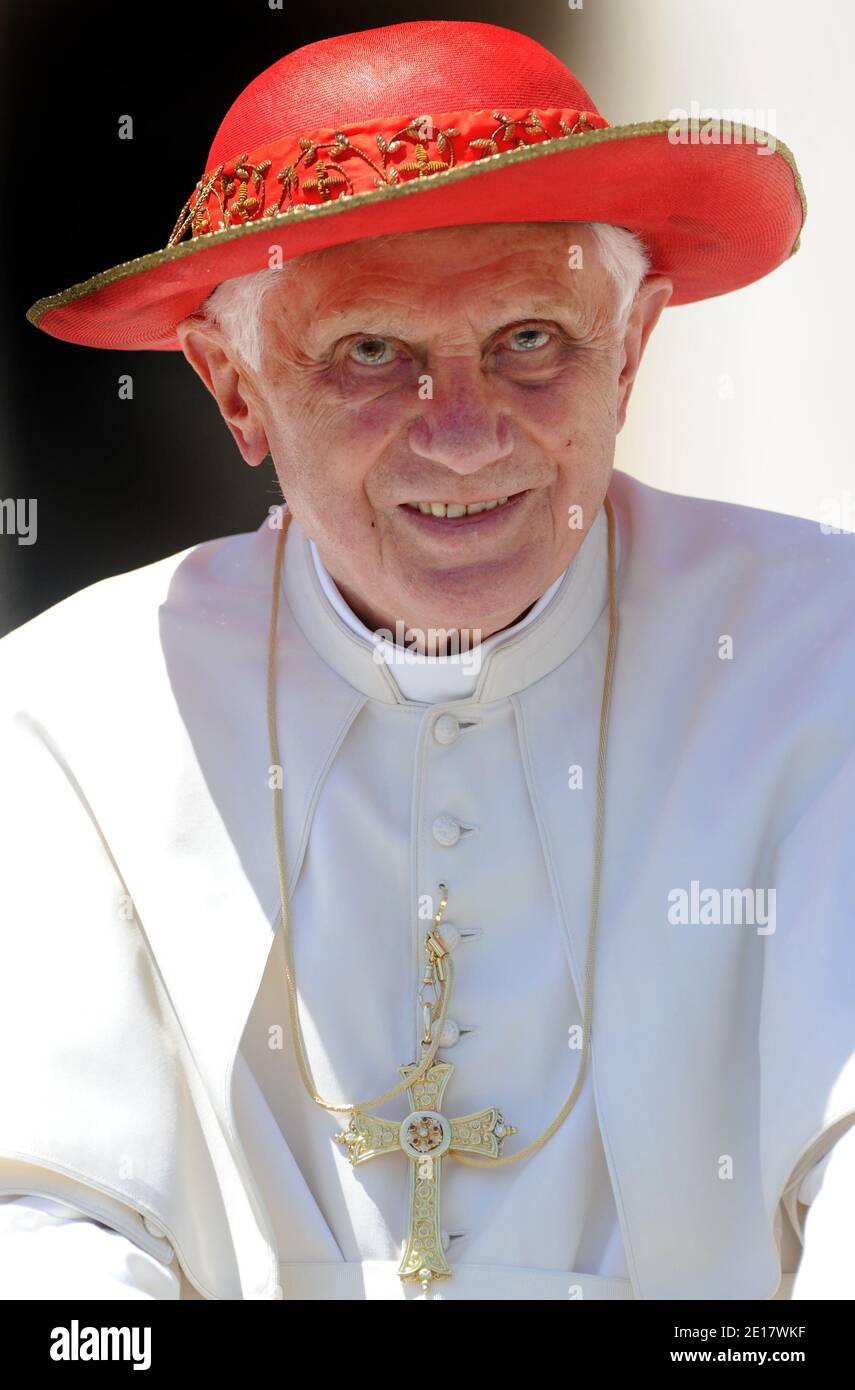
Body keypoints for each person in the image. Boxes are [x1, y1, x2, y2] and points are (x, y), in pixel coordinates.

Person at [2, 19, 852, 1301]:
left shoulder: (824, 650)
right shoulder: (69, 710)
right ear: (235, 388)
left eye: (529, 340)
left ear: (629, 351)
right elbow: (47, 1228)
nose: (461, 438)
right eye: (370, 354)